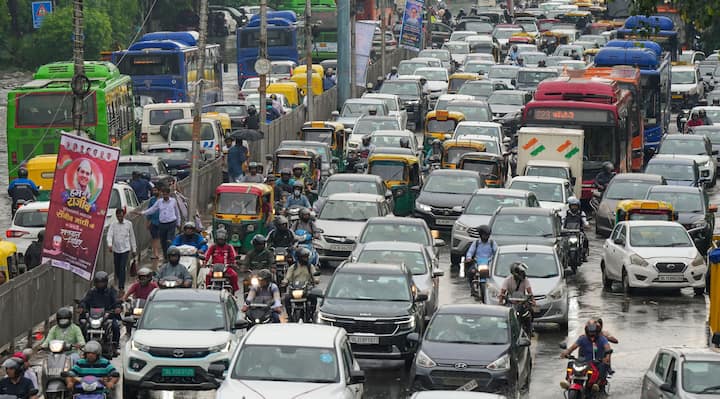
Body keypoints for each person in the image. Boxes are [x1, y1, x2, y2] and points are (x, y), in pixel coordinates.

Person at [78, 272, 121, 353]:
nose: (100, 284)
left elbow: (116, 300)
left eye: (102, 282)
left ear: (106, 282)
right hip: (93, 316)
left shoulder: (111, 291)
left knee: (115, 326)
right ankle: (82, 344)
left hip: (108, 315)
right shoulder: (91, 292)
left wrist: (117, 307)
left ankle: (115, 345)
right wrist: (81, 307)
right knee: (83, 325)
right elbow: (84, 301)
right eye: (98, 282)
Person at [138, 186, 180, 258]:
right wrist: (142, 213)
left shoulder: (173, 201)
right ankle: (165, 256)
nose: (165, 196)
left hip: (171, 223)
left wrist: (178, 222)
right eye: (163, 194)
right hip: (162, 225)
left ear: (169, 194)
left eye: (166, 194)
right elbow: (152, 210)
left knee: (169, 241)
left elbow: (177, 212)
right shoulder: (159, 202)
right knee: (163, 242)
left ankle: (170, 256)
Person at [282, 247, 319, 318]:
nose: (306, 259)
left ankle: (312, 314)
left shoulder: (310, 266)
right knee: (286, 298)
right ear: (299, 258)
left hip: (307, 289)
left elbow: (315, 274)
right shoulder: (293, 267)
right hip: (295, 289)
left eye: (307, 257)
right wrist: (285, 282)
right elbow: (287, 277)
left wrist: (316, 279)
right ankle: (289, 315)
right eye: (304, 257)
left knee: (313, 297)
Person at [106, 208, 137, 293]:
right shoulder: (113, 225)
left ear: (124, 215)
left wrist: (134, 249)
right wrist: (109, 244)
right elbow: (109, 235)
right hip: (116, 249)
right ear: (116, 216)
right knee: (117, 267)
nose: (120, 217)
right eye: (118, 215)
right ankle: (119, 280)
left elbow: (132, 237)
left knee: (122, 267)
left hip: (125, 249)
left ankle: (121, 287)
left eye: (121, 215)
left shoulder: (128, 224)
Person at [464, 225, 498, 295]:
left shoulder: (492, 243)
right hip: (477, 263)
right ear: (480, 235)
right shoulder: (476, 243)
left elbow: (496, 252)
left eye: (487, 235)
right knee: (471, 272)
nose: (486, 237)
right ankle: (472, 288)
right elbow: (470, 252)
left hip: (489, 263)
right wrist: (469, 258)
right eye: (484, 235)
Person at [563, 196, 589, 260]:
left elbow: (585, 221)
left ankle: (584, 254)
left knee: (585, 240)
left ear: (578, 206)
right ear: (569, 206)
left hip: (578, 233)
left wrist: (587, 225)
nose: (574, 207)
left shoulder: (581, 213)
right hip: (567, 233)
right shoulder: (566, 213)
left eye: (575, 206)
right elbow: (562, 222)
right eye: (572, 206)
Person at [146, 186, 162, 260]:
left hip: (162, 222)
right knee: (154, 238)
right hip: (153, 222)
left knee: (160, 238)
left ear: (159, 191)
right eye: (153, 191)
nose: (154, 192)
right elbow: (149, 211)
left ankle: (159, 252)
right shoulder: (152, 200)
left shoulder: (163, 200)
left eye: (156, 190)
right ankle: (156, 253)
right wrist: (148, 222)